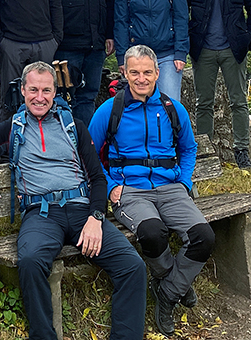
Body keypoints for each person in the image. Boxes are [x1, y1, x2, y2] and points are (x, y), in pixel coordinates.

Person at [0, 61, 146, 340]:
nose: (39, 97)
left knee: (133, 267)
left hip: (82, 210)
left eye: (46, 90)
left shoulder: (73, 126)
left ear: (54, 92)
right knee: (31, 261)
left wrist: (96, 218)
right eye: (33, 89)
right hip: (42, 214)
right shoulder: (13, 128)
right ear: (22, 90)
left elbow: (97, 178)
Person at [89, 45, 215, 337]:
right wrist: (109, 187)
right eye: (134, 72)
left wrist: (184, 181)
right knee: (153, 233)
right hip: (130, 190)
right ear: (125, 73)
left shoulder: (172, 108)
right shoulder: (110, 110)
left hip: (171, 188)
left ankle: (167, 292)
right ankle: (175, 284)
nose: (141, 78)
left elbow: (189, 148)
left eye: (147, 72)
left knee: (204, 237)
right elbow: (89, 156)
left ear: (158, 73)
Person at [180, 0, 251, 167]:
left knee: (239, 101)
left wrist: (248, 40)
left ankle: (241, 150)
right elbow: (181, 12)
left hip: (233, 48)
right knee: (203, 102)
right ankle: (205, 150)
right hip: (202, 48)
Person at [113, 0, 189, 99]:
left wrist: (180, 52)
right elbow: (121, 22)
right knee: (138, 105)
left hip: (167, 54)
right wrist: (122, 57)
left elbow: (181, 19)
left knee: (170, 104)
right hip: (137, 56)